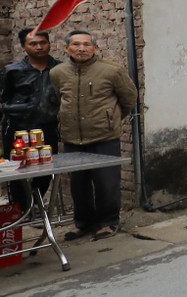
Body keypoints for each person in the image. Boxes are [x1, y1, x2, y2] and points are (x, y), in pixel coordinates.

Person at [49, 30, 136, 241]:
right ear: (66, 48)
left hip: (104, 137)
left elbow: (129, 98)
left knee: (107, 183)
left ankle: (107, 222)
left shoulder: (112, 71)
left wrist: (110, 119)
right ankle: (83, 222)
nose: (82, 48)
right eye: (76, 44)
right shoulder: (57, 72)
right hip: (72, 138)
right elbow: (58, 98)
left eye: (87, 45)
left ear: (95, 48)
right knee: (79, 185)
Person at [1, 28, 60, 211]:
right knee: (16, 172)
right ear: (23, 47)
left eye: (43, 42)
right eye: (33, 43)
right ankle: (20, 211)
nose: (39, 47)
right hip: (17, 128)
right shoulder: (12, 71)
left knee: (46, 170)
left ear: (49, 44)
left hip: (47, 128)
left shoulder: (59, 69)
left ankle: (34, 203)